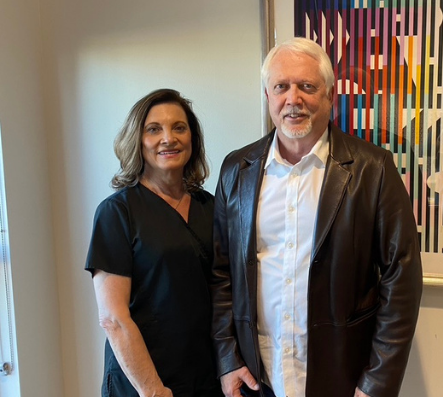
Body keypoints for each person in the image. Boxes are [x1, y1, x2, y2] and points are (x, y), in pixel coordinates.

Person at [210, 38, 423, 397]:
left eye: (307, 87)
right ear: (268, 97)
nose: (293, 99)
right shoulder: (236, 169)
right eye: (281, 87)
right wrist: (227, 359)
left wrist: (376, 384)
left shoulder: (374, 169)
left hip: (343, 376)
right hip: (257, 376)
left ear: (330, 96)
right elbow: (220, 272)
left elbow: (401, 280)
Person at [85, 89, 223, 397]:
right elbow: (113, 318)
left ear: (192, 138)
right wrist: (152, 390)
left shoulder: (211, 208)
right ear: (138, 140)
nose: (168, 138)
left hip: (205, 378)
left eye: (179, 127)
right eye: (154, 129)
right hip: (143, 384)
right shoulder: (117, 212)